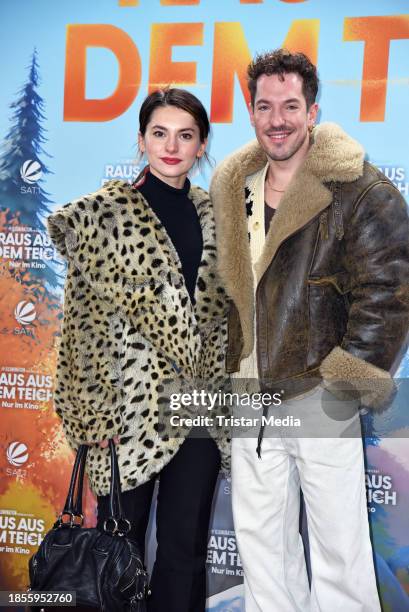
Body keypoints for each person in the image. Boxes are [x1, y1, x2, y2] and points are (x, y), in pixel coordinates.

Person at [210, 49, 409, 611]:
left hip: (321, 395)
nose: (278, 119)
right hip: (252, 394)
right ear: (251, 113)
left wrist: (343, 382)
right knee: (262, 548)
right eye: (265, 106)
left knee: (339, 550)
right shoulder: (235, 188)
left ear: (312, 111)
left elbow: (389, 290)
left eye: (291, 106)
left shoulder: (359, 190)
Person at [48, 88, 229, 612]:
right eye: (160, 132)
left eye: (185, 135)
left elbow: (224, 326)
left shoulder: (219, 219)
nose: (171, 146)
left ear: (201, 146)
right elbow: (80, 329)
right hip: (126, 414)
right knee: (118, 555)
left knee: (185, 551)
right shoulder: (101, 218)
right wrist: (90, 415)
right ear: (142, 139)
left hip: (196, 407)